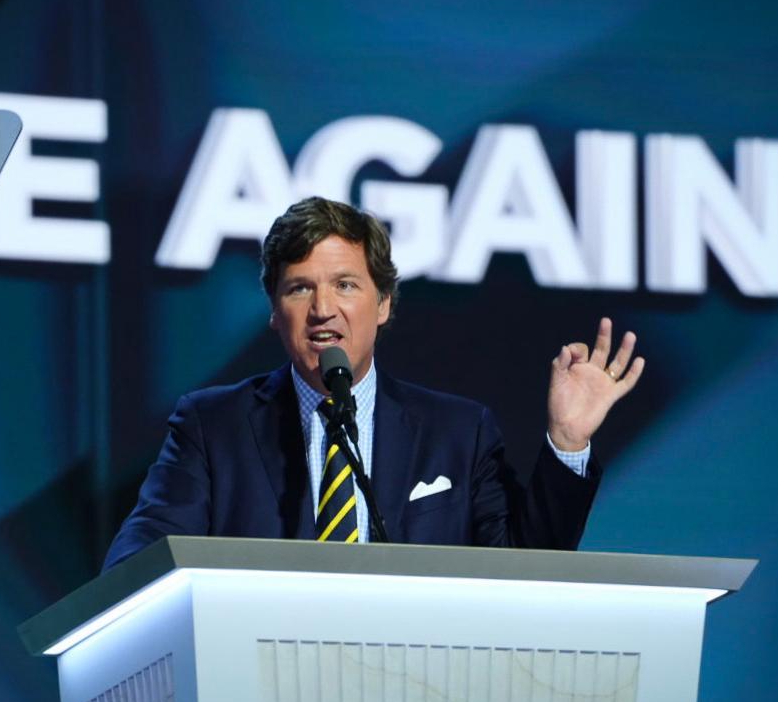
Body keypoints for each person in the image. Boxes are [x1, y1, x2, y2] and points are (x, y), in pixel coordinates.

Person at [102, 197, 643, 570]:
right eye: (298, 289)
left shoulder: (458, 432)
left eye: (345, 285)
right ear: (273, 312)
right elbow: (138, 562)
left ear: (383, 304)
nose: (322, 310)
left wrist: (568, 443)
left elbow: (525, 568)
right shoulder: (212, 427)